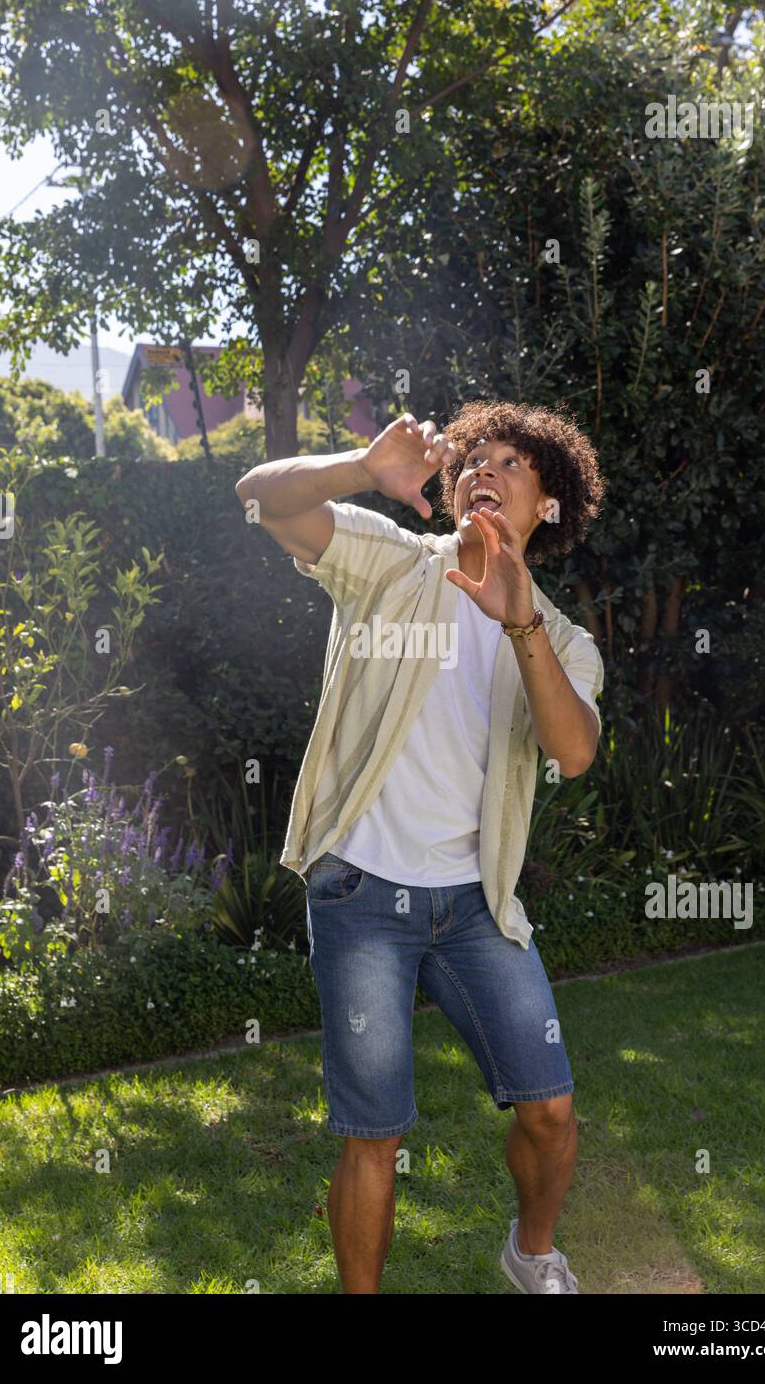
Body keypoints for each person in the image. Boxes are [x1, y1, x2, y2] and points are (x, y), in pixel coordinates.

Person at [235, 400, 605, 1294]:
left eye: (515, 463)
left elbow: (572, 750)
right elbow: (261, 498)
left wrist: (517, 623)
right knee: (374, 1132)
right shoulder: (391, 563)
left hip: (476, 907)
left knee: (549, 1108)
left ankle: (530, 1252)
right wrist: (363, 468)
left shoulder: (561, 640)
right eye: (476, 455)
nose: (488, 467)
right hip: (362, 896)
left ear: (547, 506)